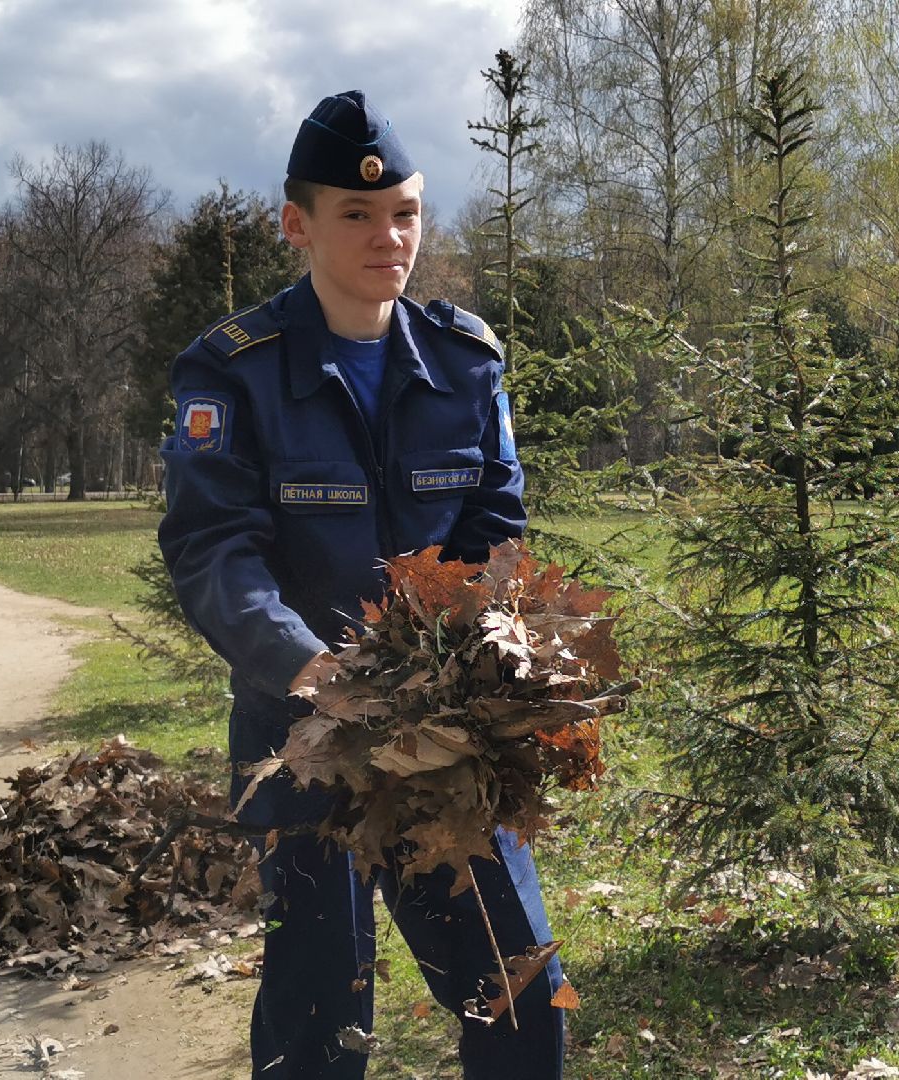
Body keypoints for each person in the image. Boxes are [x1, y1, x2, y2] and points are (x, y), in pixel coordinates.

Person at [156, 90, 561, 1079]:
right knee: (318, 1007)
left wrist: (478, 648)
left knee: (518, 988)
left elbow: (491, 527)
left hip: (440, 736)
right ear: (296, 224)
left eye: (405, 213)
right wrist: (310, 669)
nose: (390, 236)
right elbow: (214, 551)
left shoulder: (466, 365)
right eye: (357, 214)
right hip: (303, 739)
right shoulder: (231, 373)